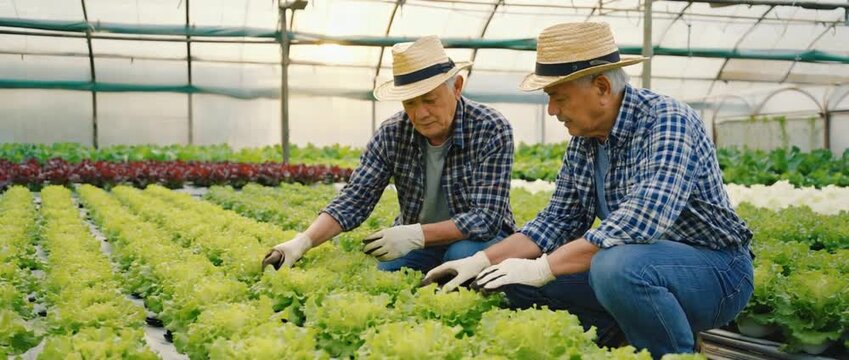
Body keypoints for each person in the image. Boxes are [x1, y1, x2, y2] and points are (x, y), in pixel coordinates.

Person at [423, 22, 754, 358]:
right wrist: (480, 260)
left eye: (559, 98)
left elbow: (640, 221)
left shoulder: (667, 120)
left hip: (718, 272)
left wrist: (542, 268)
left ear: (601, 87)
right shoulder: (585, 142)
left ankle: (670, 352)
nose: (552, 110)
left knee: (615, 266)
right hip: (641, 266)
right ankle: (617, 337)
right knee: (510, 278)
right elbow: (555, 221)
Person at [262, 35, 516, 274]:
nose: (420, 114)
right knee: (388, 270)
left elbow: (485, 219)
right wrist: (302, 242)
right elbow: (355, 197)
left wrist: (416, 235)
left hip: (479, 238)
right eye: (410, 103)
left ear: (457, 87)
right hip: (418, 241)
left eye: (429, 100)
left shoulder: (490, 128)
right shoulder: (393, 133)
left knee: (460, 255)